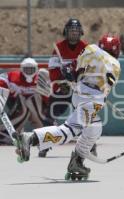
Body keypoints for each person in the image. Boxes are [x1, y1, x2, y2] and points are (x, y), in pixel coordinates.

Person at [15, 34, 121, 180]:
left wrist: (70, 73)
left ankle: (77, 162)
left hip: (79, 93)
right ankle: (31, 138)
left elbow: (75, 69)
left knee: (94, 127)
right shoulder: (116, 64)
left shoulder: (90, 48)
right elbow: (106, 85)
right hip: (92, 99)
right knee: (69, 130)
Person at [43, 18, 88, 157]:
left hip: (79, 88)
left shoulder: (86, 48)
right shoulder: (58, 48)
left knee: (86, 116)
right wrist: (61, 83)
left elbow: (89, 68)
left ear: (80, 32)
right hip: (63, 88)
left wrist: (81, 82)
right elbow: (53, 69)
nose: (74, 33)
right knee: (50, 113)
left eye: (76, 30)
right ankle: (45, 144)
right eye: (71, 30)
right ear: (66, 32)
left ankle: (88, 146)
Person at [0, 58, 51, 146]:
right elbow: (1, 83)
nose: (29, 72)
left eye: (31, 69)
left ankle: (44, 131)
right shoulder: (11, 76)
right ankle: (7, 132)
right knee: (24, 105)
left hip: (37, 110)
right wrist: (8, 90)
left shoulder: (41, 78)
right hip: (17, 108)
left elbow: (47, 100)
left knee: (33, 100)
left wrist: (44, 90)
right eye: (26, 69)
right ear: (21, 69)